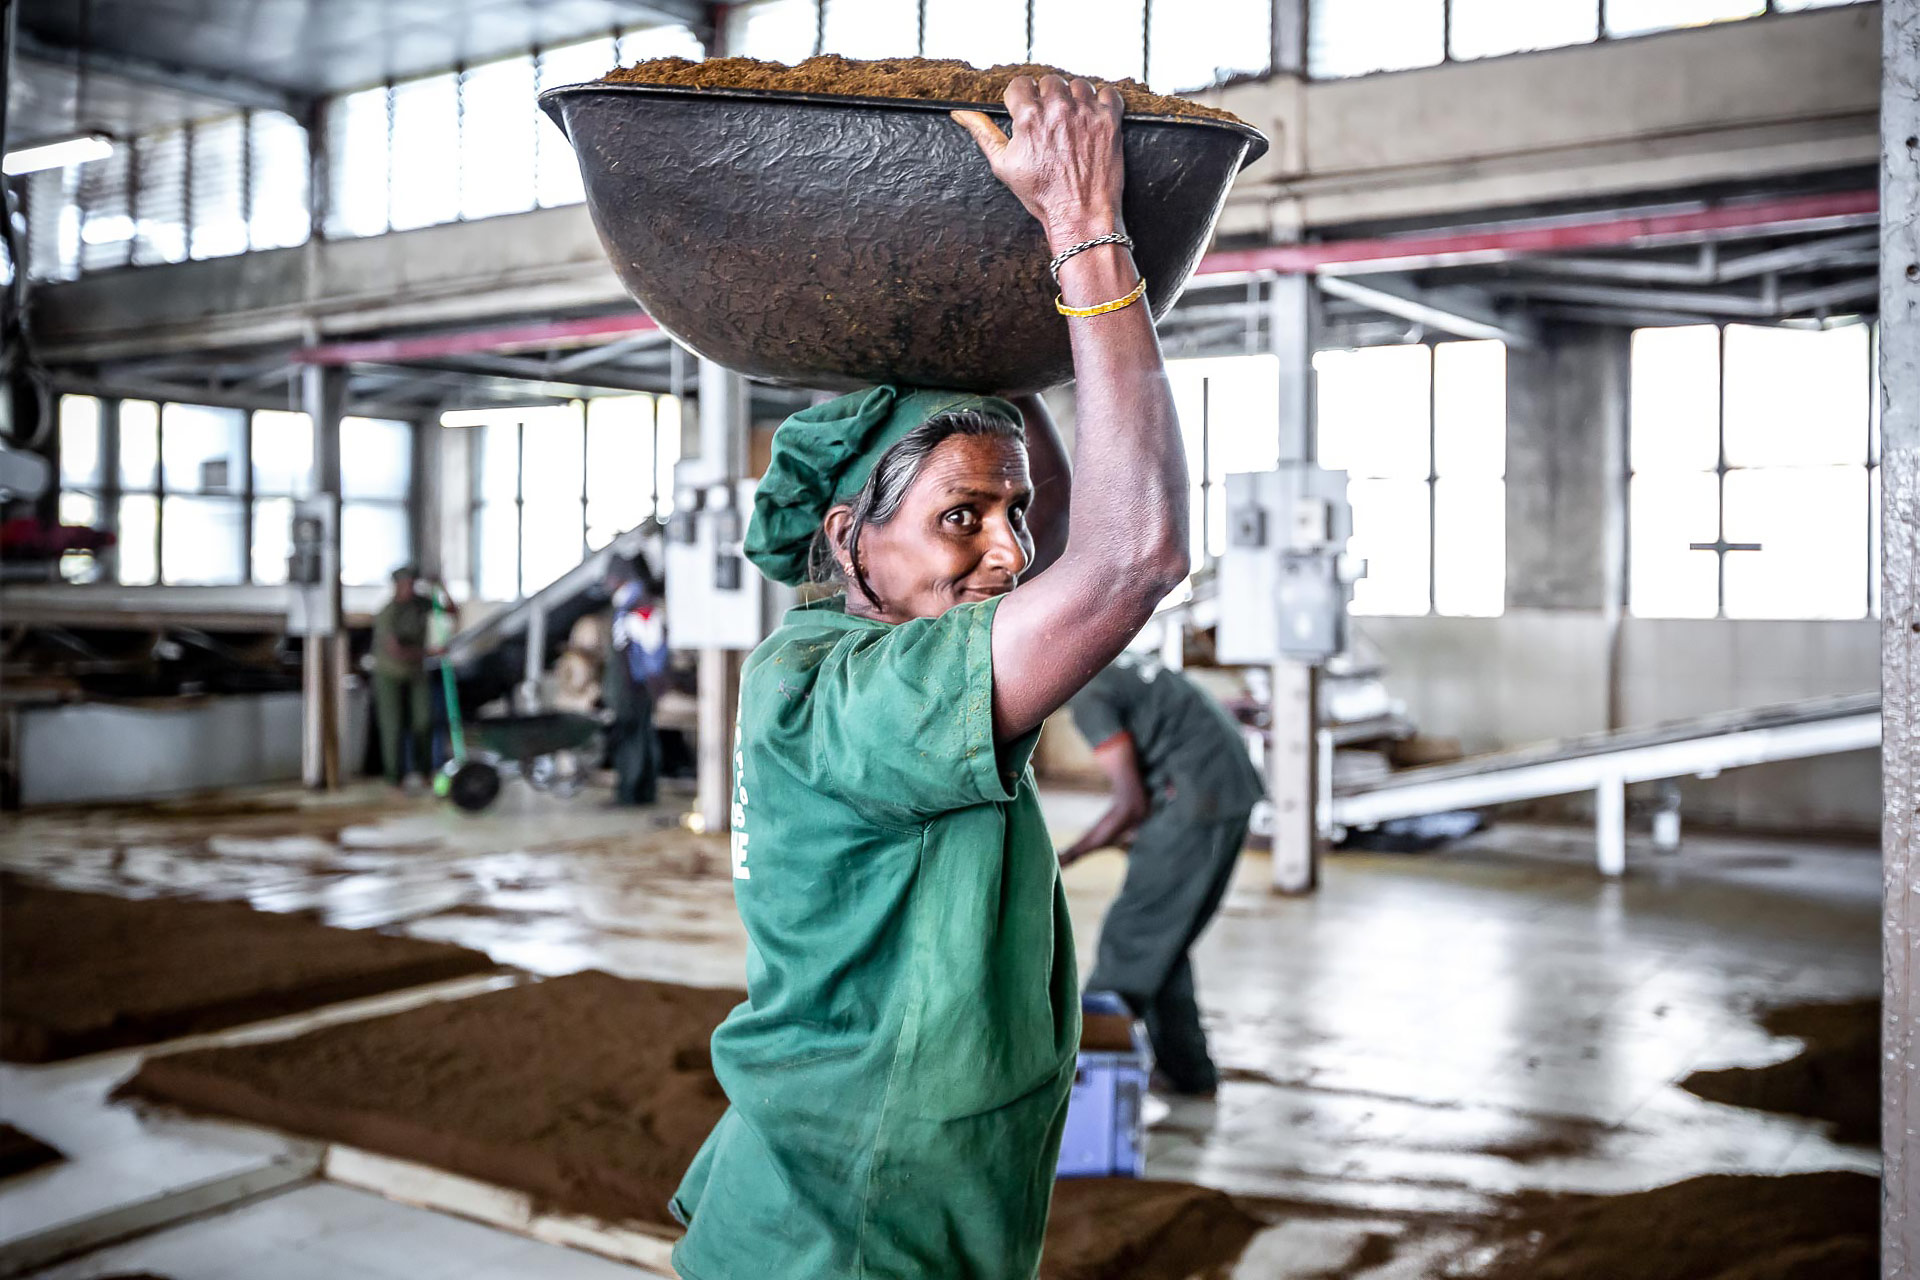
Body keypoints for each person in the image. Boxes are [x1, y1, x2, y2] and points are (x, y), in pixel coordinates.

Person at [668, 76, 1191, 1280]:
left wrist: (1011, 338)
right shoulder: (847, 694)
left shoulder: (898, 643)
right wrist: (1081, 229)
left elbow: (1077, 542)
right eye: (966, 515)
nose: (1007, 550)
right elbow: (1131, 553)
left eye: (1010, 508)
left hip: (881, 1199)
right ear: (847, 535)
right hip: (848, 1230)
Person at [1058, 653, 1265, 1099]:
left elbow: (1130, 804)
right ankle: (1189, 1073)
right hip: (1219, 784)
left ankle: (1080, 1082)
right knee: (1162, 941)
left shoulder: (1087, 696)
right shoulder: (1109, 665)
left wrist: (1066, 856)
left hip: (1197, 798)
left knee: (1132, 937)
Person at [603, 558, 669, 805]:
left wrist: (650, 679)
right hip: (637, 683)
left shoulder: (635, 605)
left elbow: (650, 646)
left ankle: (632, 793)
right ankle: (642, 791)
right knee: (641, 734)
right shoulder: (633, 603)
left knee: (632, 737)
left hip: (633, 685)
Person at [371, 565, 435, 788]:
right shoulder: (388, 613)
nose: (410, 588)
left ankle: (424, 771)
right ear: (397, 586)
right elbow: (395, 650)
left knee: (423, 721)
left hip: (416, 673)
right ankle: (394, 778)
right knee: (393, 726)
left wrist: (441, 586)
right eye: (406, 584)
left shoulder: (420, 605)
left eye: (413, 583)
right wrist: (429, 653)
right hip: (390, 673)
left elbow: (450, 611)